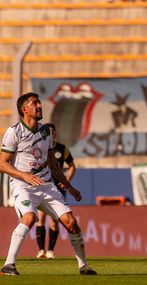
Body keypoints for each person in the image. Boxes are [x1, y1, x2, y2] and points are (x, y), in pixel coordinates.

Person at [0, 92, 96, 275]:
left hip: (46, 185)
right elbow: (2, 163)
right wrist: (24, 175)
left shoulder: (45, 131)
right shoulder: (14, 132)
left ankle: (84, 266)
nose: (39, 106)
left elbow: (52, 163)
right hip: (23, 185)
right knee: (28, 218)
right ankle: (8, 265)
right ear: (24, 109)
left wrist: (69, 186)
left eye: (39, 103)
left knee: (72, 223)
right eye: (34, 103)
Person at [35, 123, 76, 259]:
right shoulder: (40, 146)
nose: (50, 135)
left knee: (54, 220)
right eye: (48, 132)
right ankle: (41, 250)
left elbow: (71, 166)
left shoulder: (62, 149)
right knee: (40, 218)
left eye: (52, 132)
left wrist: (68, 180)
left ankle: (50, 251)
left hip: (57, 188)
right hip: (43, 186)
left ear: (55, 134)